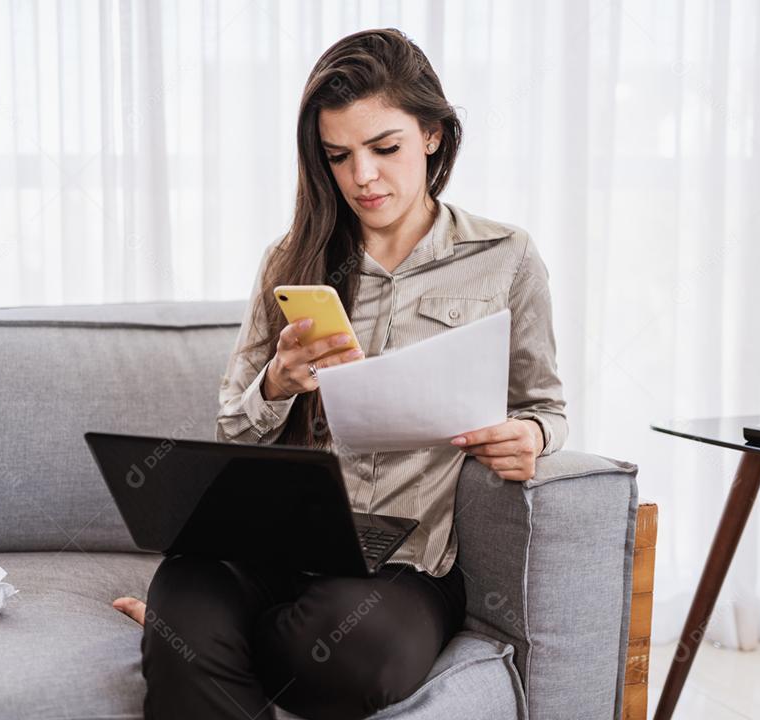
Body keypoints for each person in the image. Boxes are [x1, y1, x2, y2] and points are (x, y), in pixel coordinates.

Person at [112, 27, 567, 720]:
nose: (362, 177)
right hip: (280, 536)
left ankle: (200, 655)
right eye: (338, 156)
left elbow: (546, 405)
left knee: (361, 655)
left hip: (406, 558)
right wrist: (275, 384)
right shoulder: (289, 260)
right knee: (187, 593)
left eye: (385, 149)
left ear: (434, 136)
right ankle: (194, 643)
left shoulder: (506, 257)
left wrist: (531, 434)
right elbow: (231, 426)